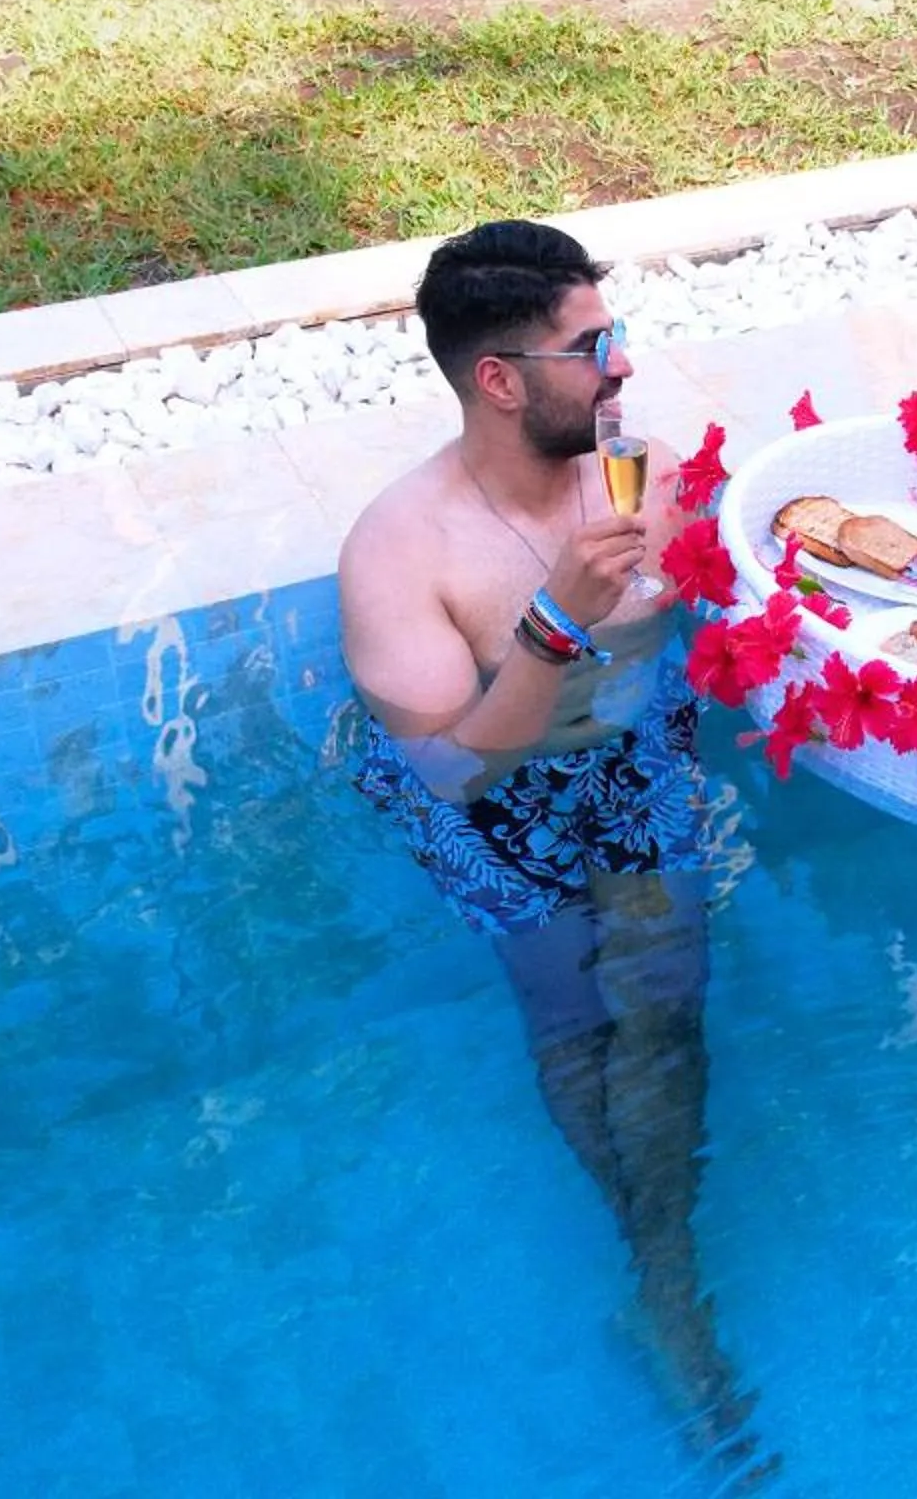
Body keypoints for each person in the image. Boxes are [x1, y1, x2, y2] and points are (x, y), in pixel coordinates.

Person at [335, 219, 758, 1469]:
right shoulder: (400, 549)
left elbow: (704, 613)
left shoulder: (639, 469)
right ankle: (661, 1276)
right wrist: (556, 625)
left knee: (667, 999)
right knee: (573, 1010)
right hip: (485, 788)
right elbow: (456, 769)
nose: (622, 367)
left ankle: (664, 1274)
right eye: (591, 348)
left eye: (615, 334)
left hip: (625, 751)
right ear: (500, 379)